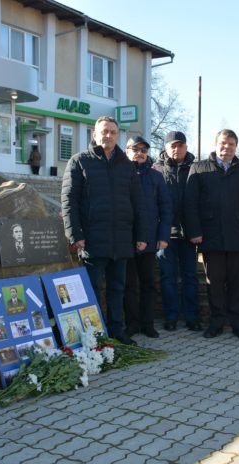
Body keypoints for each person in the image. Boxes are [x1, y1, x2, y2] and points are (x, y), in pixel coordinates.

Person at [61, 116, 149, 344]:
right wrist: (75, 234)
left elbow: (138, 203)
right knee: (91, 291)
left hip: (121, 240)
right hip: (92, 239)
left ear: (117, 135)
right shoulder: (79, 161)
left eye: (112, 132)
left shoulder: (126, 166)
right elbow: (69, 200)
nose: (108, 135)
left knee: (117, 290)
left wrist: (141, 235)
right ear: (94, 134)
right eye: (104, 131)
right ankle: (92, 336)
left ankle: (117, 333)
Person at [184, 129, 239, 340]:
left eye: (231, 144)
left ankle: (238, 324)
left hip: (238, 236)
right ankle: (216, 322)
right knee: (214, 283)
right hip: (210, 236)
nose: (226, 147)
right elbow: (190, 204)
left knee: (238, 283)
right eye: (223, 143)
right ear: (216, 144)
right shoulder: (199, 168)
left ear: (236, 147)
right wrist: (195, 232)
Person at [123, 135, 172, 339]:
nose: (140, 153)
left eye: (143, 150)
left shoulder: (156, 177)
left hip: (151, 239)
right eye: (135, 149)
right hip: (125, 238)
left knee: (148, 284)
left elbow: (166, 207)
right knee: (128, 285)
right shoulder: (121, 174)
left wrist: (163, 236)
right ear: (127, 151)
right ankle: (132, 323)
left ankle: (147, 323)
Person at [153, 131, 202, 332]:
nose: (176, 149)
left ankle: (192, 316)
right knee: (167, 277)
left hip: (189, 233)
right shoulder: (156, 170)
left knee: (190, 276)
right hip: (165, 234)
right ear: (165, 148)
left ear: (186, 147)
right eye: (172, 145)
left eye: (180, 145)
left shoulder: (196, 169)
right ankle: (171, 316)